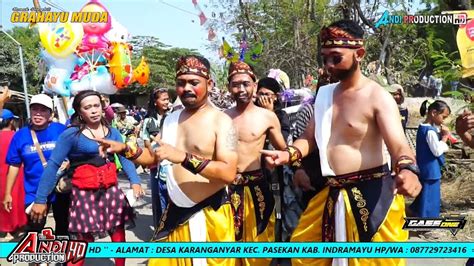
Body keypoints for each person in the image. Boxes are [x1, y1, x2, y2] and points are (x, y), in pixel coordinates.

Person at [261, 19, 421, 266]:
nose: (328, 65)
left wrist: (409, 170)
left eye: (336, 58)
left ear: (359, 54)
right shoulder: (324, 95)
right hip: (331, 193)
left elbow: (398, 144)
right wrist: (288, 154)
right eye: (324, 58)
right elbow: (308, 139)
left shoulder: (377, 96)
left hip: (372, 195)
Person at [96, 55, 238, 266]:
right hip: (174, 213)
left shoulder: (222, 121)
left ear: (209, 83)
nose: (186, 88)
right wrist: (125, 149)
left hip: (208, 214)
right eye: (181, 83)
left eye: (194, 82)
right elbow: (153, 158)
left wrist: (182, 157)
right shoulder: (171, 120)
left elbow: (228, 173)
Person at [31, 90, 143, 266]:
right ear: (79, 111)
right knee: (82, 240)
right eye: (88, 107)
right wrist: (40, 199)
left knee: (118, 234)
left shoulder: (112, 132)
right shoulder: (71, 135)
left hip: (111, 192)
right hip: (84, 195)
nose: (93, 110)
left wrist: (135, 181)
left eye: (96, 105)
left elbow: (124, 157)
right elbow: (53, 166)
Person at [224, 61, 286, 265]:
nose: (241, 89)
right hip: (228, 189)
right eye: (235, 84)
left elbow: (284, 150)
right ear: (228, 87)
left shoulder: (267, 117)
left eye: (246, 84)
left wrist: (275, 158)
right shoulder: (222, 119)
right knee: (228, 245)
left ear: (255, 85)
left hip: (258, 188)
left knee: (259, 248)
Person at [3, 94, 69, 236]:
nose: (38, 113)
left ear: (51, 114)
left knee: (63, 226)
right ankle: (35, 256)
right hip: (34, 191)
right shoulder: (20, 136)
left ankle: (61, 255)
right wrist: (8, 194)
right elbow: (14, 165)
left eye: (43, 110)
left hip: (59, 189)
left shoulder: (60, 130)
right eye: (35, 109)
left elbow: (74, 153)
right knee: (34, 228)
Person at [410, 100, 451, 218]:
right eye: (443, 117)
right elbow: (437, 151)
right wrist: (444, 138)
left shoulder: (424, 128)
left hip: (425, 169)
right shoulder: (430, 132)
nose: (443, 120)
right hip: (431, 171)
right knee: (430, 199)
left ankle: (414, 212)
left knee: (424, 195)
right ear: (433, 113)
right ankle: (427, 224)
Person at [141, 88, 170, 228]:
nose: (166, 101)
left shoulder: (171, 117)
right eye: (163, 99)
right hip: (155, 163)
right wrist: (154, 156)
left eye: (167, 99)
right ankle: (159, 227)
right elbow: (146, 141)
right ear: (155, 102)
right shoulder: (148, 120)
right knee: (157, 195)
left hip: (170, 162)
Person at [0, 107, 27, 239]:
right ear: (11, 122)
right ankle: (17, 228)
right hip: (16, 174)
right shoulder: (17, 136)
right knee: (16, 200)